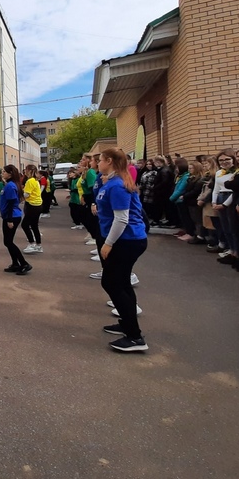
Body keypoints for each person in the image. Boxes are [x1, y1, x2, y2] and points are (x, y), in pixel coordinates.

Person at [96, 148, 149, 352]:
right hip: (125, 239)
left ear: (109, 161)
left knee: (111, 283)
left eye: (100, 160)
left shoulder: (117, 185)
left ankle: (135, 337)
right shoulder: (112, 182)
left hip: (126, 240)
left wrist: (108, 243)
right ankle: (127, 324)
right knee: (122, 282)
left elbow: (121, 218)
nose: (98, 164)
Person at [0, 165, 31, 275]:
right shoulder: (10, 184)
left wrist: (9, 220)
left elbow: (11, 203)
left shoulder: (10, 186)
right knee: (8, 241)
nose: (2, 173)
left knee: (8, 242)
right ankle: (15, 263)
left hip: (11, 216)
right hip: (10, 215)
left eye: (4, 172)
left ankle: (24, 263)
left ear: (10, 174)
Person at [21, 165, 43, 254]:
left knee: (25, 225)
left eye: (25, 170)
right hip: (38, 205)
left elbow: (26, 194)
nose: (24, 172)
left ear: (29, 171)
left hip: (32, 205)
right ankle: (38, 245)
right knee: (34, 225)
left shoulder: (30, 181)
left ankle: (32, 244)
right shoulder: (35, 180)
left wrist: (21, 193)